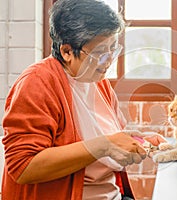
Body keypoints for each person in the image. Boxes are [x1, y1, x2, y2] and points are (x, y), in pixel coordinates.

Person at [1, 0, 166, 199]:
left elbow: (105, 139)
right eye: (99, 52)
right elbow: (23, 167)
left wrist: (136, 141)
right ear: (67, 52)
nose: (108, 61)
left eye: (112, 49)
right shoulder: (37, 83)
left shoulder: (98, 82)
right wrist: (103, 145)